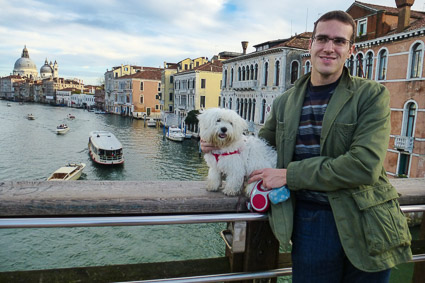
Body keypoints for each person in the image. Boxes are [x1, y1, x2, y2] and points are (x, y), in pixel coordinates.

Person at [201, 10, 412, 283]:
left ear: (350, 49)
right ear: (310, 45)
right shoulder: (284, 102)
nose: (329, 48)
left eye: (338, 41)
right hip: (310, 221)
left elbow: (364, 166)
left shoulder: (371, 95)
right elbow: (258, 146)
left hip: (366, 219)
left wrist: (289, 175)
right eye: (322, 39)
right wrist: (216, 142)